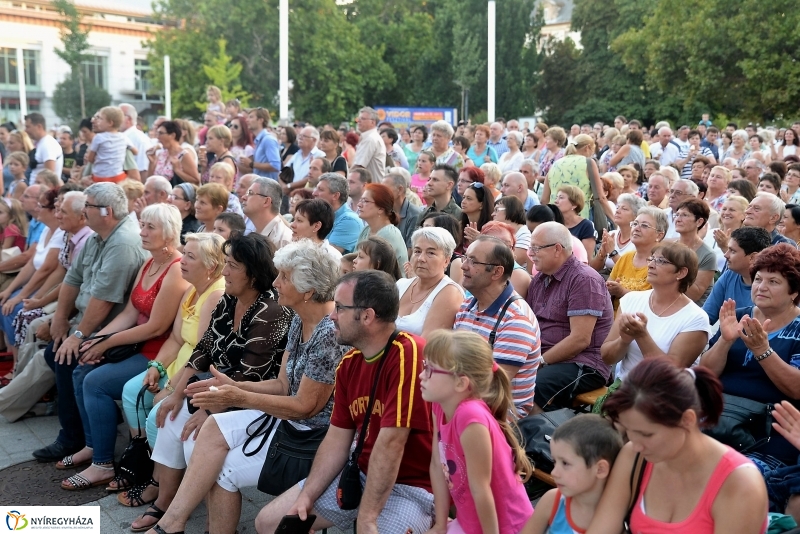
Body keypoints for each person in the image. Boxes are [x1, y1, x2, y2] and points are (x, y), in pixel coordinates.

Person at [139, 239, 347, 534]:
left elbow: (304, 407)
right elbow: (282, 384)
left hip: (311, 436)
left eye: (284, 277)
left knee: (220, 465)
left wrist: (239, 395)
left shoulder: (327, 333)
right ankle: (172, 522)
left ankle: (172, 523)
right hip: (287, 418)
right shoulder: (302, 319)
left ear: (308, 291)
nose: (276, 283)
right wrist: (229, 388)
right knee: (209, 431)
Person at [131, 233, 293, 532]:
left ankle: (211, 523)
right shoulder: (230, 298)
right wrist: (177, 394)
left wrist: (207, 411)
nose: (225, 271)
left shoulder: (271, 310)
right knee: (170, 416)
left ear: (254, 272)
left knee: (198, 436)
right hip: (218, 389)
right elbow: (204, 348)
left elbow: (250, 375)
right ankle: (166, 503)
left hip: (256, 397)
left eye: (232, 265)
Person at [253, 269, 435, 534]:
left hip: (409, 487)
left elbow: (392, 443)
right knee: (270, 523)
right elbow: (337, 440)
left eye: (340, 308)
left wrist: (367, 519)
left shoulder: (408, 353)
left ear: (367, 316)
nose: (332, 316)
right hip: (359, 475)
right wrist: (308, 495)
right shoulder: (349, 364)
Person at [57, 204, 188, 490]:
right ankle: (94, 446)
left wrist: (106, 343)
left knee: (94, 382)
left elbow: (156, 327)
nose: (141, 232)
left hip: (157, 351)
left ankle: (103, 464)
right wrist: (95, 340)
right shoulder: (150, 261)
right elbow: (129, 312)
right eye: (142, 225)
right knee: (82, 367)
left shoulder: (176, 269)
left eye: (150, 227)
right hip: (136, 343)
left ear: (168, 233)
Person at [32, 183, 147, 464]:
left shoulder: (122, 243)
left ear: (106, 212)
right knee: (56, 351)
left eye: (89, 206)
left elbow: (105, 300)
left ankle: (80, 440)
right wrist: (60, 321)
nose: (84, 211)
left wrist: (79, 335)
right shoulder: (98, 237)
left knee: (69, 359)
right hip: (93, 324)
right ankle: (80, 433)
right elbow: (72, 279)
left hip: (113, 331)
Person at [587, 358, 768, 534]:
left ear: (687, 420)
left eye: (647, 434)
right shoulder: (634, 457)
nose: (635, 445)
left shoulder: (740, 483)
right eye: (629, 431)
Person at [113, 232, 225, 503]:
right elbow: (176, 338)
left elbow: (202, 354)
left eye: (190, 256)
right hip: (176, 365)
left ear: (210, 266)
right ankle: (143, 462)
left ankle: (161, 484)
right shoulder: (191, 288)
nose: (182, 260)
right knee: (131, 392)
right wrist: (156, 366)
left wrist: (173, 387)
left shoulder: (215, 294)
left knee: (156, 418)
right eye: (183, 253)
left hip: (194, 374)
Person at [700, 244, 800, 470]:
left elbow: (796, 388)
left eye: (773, 281)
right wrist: (725, 340)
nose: (761, 287)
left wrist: (763, 352)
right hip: (716, 421)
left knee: (724, 478)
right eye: (757, 280)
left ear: (794, 291)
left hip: (768, 435)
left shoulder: (798, 329)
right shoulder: (738, 316)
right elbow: (706, 374)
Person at [424, 330, 533, 534]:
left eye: (430, 370)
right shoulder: (439, 405)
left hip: (505, 527)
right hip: (471, 522)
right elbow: (437, 465)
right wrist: (440, 525)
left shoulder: (470, 417)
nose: (422, 375)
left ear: (460, 382)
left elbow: (481, 489)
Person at [525, 222, 612, 412]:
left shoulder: (584, 279)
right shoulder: (540, 279)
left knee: (531, 386)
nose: (530, 254)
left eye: (535, 248)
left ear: (557, 249)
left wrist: (538, 362)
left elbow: (580, 340)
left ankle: (543, 438)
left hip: (584, 363)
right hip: (546, 358)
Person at [454, 235, 541, 417]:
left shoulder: (516, 319)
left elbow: (491, 388)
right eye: (465, 257)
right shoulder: (467, 305)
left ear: (496, 273)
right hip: (464, 400)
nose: (463, 266)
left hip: (499, 417)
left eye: (473, 261)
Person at [601, 242, 712, 380]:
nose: (651, 265)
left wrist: (641, 336)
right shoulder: (630, 299)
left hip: (663, 397)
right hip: (625, 390)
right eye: (651, 258)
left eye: (661, 261)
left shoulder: (696, 318)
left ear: (681, 272)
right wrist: (624, 340)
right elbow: (606, 357)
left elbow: (670, 375)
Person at [521, 415, 623, 534]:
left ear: (600, 469)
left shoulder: (619, 520)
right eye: (554, 461)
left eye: (565, 463)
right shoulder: (553, 500)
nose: (554, 472)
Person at [396, 227, 463, 338]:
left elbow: (427, 345)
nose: (421, 258)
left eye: (431, 253)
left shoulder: (450, 292)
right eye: (417, 251)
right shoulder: (400, 285)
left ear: (446, 260)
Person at [703, 227, 771, 325]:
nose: (726, 255)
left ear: (753, 257)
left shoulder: (769, 287)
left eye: (733, 251)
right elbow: (706, 317)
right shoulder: (729, 275)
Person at [605, 207, 668, 306]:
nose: (636, 228)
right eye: (635, 224)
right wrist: (610, 288)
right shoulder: (625, 258)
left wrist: (622, 292)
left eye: (644, 225)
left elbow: (657, 302)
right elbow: (607, 288)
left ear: (659, 235)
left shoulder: (663, 263)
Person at [543, 134, 606, 224]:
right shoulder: (588, 162)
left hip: (554, 217)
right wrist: (613, 220)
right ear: (587, 147)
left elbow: (544, 199)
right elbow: (601, 197)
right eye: (592, 151)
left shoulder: (556, 163)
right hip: (579, 218)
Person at [673, 199, 717, 305]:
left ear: (699, 222)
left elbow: (695, 295)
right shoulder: (670, 247)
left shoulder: (708, 254)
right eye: (677, 215)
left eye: (684, 215)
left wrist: (672, 268)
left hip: (693, 310)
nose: (678, 219)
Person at [356, 183, 408, 270]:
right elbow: (355, 259)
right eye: (360, 200)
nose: (359, 205)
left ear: (380, 209)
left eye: (365, 201)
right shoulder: (366, 230)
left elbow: (373, 269)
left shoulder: (389, 234)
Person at [589, 194, 646, 273]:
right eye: (617, 207)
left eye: (624, 209)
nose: (617, 211)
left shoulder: (639, 240)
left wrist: (612, 252)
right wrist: (602, 252)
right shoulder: (612, 234)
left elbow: (631, 272)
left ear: (636, 216)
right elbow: (593, 269)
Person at [313, 172, 362, 254]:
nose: (314, 193)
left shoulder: (349, 221)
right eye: (316, 188)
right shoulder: (320, 214)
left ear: (335, 196)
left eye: (320, 190)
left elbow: (327, 255)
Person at [241, 177, 292, 250]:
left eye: (250, 193)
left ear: (266, 201)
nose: (243, 197)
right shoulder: (252, 231)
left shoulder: (283, 240)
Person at [146, 121, 200, 186]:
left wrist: (177, 171)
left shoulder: (183, 155)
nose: (158, 137)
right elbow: (150, 179)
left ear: (172, 135)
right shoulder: (161, 154)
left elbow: (196, 180)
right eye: (157, 133)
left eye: (161, 133)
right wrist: (151, 163)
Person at [85, 106, 130, 183]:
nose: (93, 120)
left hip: (100, 178)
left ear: (110, 123)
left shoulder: (98, 138)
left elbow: (90, 159)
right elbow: (136, 151)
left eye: (99, 118)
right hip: (118, 177)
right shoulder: (123, 138)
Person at [382, 170, 422, 253]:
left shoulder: (414, 214)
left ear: (400, 190)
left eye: (385, 189)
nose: (381, 193)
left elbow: (410, 250)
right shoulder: (383, 211)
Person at [553, 184, 596, 259]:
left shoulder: (586, 225)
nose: (556, 201)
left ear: (574, 205)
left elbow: (586, 258)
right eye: (556, 197)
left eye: (561, 198)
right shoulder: (553, 223)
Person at [239, 108, 280, 180]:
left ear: (261, 120)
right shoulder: (259, 140)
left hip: (267, 187)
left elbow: (275, 166)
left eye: (251, 117)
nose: (247, 120)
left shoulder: (268, 139)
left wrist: (251, 164)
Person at [493, 195, 532, 267]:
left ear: (511, 210)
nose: (492, 214)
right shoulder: (499, 232)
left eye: (496, 210)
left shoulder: (524, 234)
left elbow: (512, 262)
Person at [25, 113, 63, 185]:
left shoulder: (47, 144)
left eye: (28, 127)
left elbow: (49, 175)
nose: (26, 130)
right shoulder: (41, 143)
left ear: (39, 126)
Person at [353, 106, 387, 180]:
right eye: (359, 118)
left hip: (371, 187)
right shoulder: (370, 137)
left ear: (373, 122)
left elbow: (359, 167)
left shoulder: (370, 139)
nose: (358, 121)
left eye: (363, 118)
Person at [460, 182, 494, 252]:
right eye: (463, 197)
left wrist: (480, 240)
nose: (463, 201)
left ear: (481, 205)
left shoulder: (492, 230)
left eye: (469, 199)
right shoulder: (459, 226)